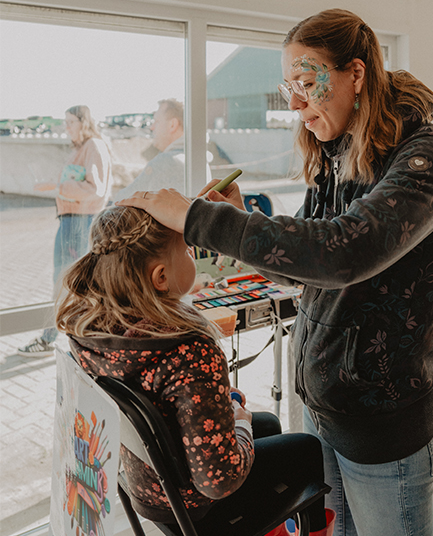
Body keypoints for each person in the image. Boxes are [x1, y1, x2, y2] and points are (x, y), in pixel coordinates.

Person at [118, 9, 433, 536]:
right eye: (290, 87)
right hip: (321, 406)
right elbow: (306, 265)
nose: (296, 103)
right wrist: (249, 223)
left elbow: (339, 253)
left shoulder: (429, 158)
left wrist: (200, 219)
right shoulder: (338, 153)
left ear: (356, 73)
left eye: (308, 83)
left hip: (383, 424)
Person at [55, 205, 334, 536]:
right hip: (198, 508)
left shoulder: (92, 334)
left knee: (270, 424)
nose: (194, 254)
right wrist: (240, 425)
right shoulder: (190, 353)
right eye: (188, 250)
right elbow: (219, 481)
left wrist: (226, 411)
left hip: (147, 488)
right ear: (160, 277)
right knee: (305, 448)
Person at [19, 105, 113, 355]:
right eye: (65, 122)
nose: (66, 128)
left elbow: (97, 189)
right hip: (74, 220)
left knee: (65, 281)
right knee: (74, 282)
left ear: (84, 122)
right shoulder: (84, 148)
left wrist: (58, 186)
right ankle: (77, 339)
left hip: (79, 222)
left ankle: (50, 339)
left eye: (70, 122)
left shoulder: (93, 146)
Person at [114, 99, 199, 200]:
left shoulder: (168, 161)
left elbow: (121, 201)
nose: (152, 127)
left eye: (157, 121)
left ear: (172, 125)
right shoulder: (197, 160)